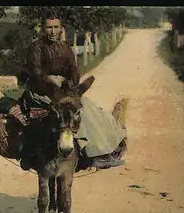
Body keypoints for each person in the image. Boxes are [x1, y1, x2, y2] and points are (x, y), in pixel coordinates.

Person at [17, 14, 126, 170]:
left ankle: (104, 152)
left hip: (62, 92)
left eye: (56, 27)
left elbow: (74, 70)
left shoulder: (65, 47)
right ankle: (88, 155)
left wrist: (71, 84)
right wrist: (49, 78)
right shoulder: (37, 47)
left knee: (91, 109)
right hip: (40, 93)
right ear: (43, 29)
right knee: (71, 114)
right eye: (49, 27)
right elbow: (34, 70)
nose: (52, 31)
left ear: (61, 28)